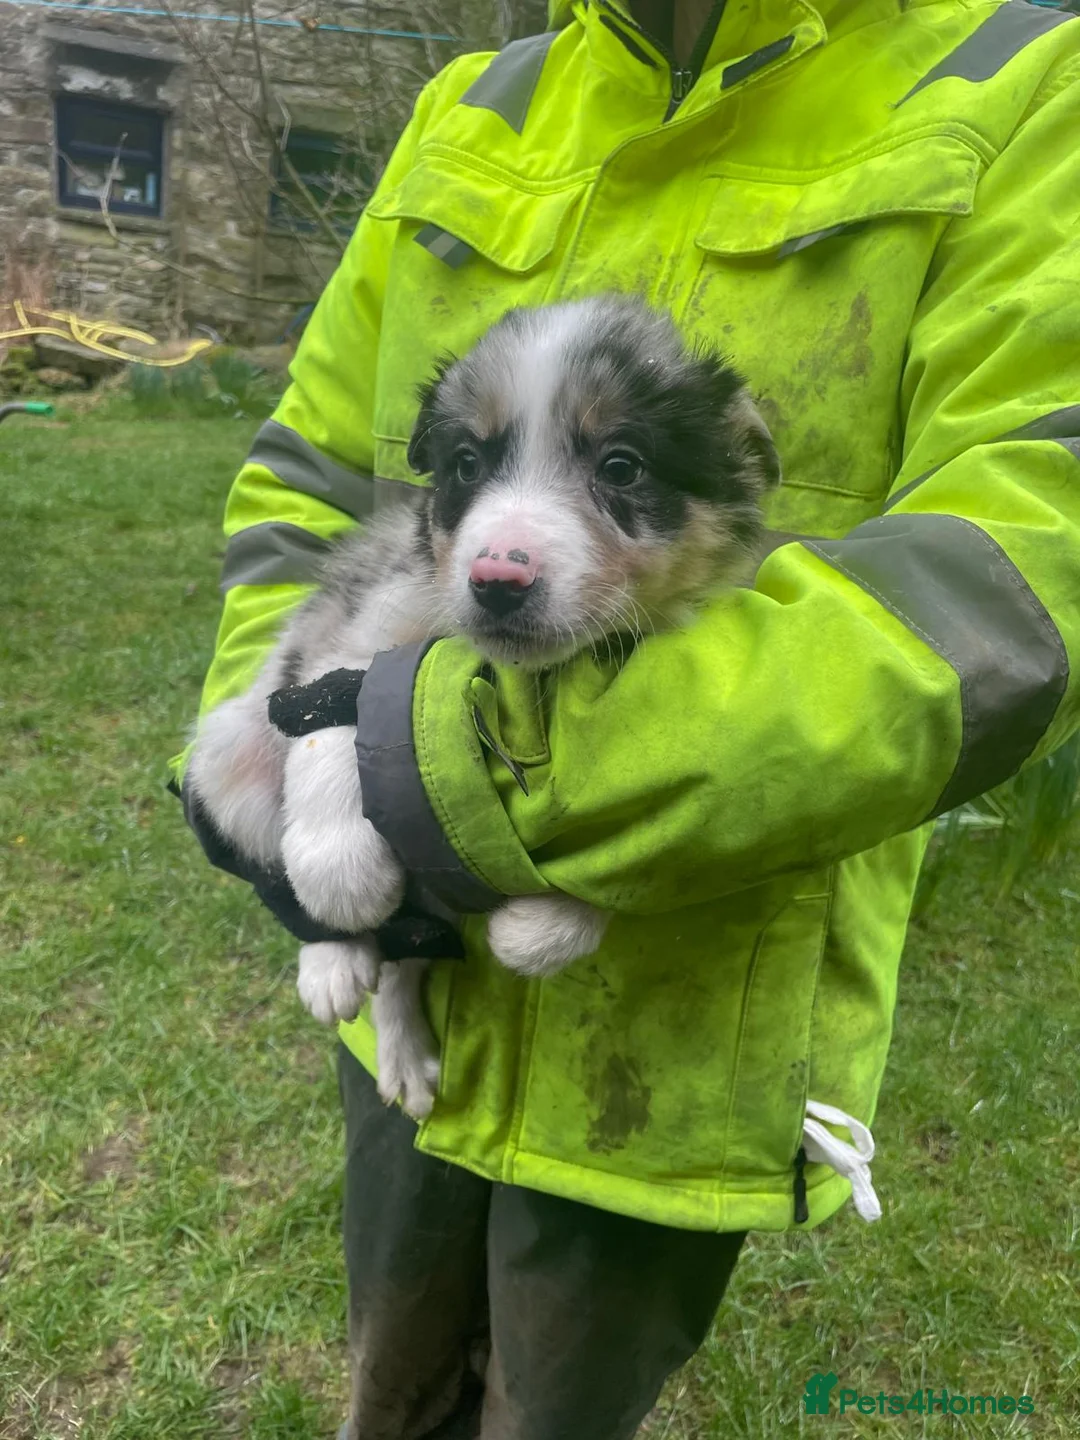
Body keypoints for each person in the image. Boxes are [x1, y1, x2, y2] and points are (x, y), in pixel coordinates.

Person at [174, 0, 1080, 1435]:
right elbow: (303, 486)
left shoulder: (1026, 73)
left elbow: (1012, 587)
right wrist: (285, 772)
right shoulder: (473, 99)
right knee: (386, 1391)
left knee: (558, 1409)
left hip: (683, 1031)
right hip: (411, 997)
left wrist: (458, 799)